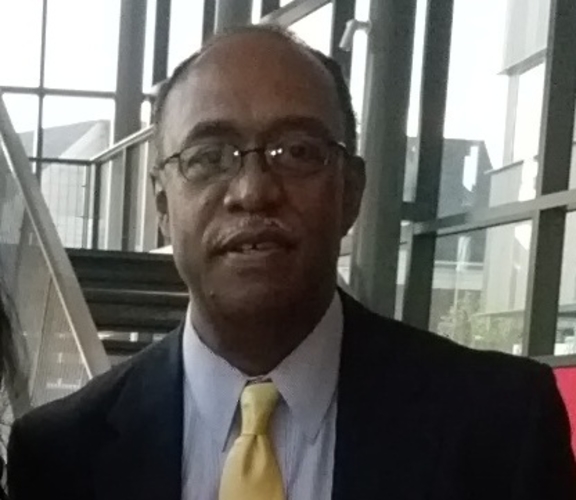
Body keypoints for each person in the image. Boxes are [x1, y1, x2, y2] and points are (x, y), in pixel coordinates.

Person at [7, 25, 576, 500]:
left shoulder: (501, 427)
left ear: (351, 191)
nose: (252, 190)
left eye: (297, 152)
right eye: (209, 157)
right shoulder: (59, 456)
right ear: (162, 204)